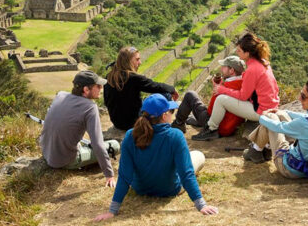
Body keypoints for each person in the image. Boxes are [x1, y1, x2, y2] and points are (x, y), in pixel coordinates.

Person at [93, 94, 218, 222]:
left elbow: (124, 175)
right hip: (170, 189)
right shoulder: (175, 136)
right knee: (198, 155)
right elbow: (186, 174)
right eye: (171, 111)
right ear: (164, 116)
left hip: (140, 188)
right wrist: (201, 205)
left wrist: (112, 210)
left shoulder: (131, 135)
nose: (172, 114)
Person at [243, 79, 308, 179]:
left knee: (270, 117)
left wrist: (261, 116)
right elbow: (307, 118)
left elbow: (278, 127)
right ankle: (260, 149)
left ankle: (256, 150)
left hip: (290, 169)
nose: (299, 98)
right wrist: (285, 112)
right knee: (279, 114)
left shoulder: (304, 124)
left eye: (303, 96)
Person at [192, 32, 279, 141]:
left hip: (260, 111)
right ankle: (211, 127)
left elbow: (243, 96)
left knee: (220, 99)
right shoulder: (263, 62)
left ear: (247, 53)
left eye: (239, 51)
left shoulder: (252, 69)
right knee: (224, 97)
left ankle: (211, 129)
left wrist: (222, 89)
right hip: (271, 106)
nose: (237, 53)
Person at [40, 70, 116, 187]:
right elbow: (97, 144)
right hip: (65, 161)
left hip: (46, 152)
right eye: (98, 86)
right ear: (86, 90)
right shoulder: (90, 107)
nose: (101, 88)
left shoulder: (60, 95)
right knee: (114, 145)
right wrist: (109, 174)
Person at [104, 46, 179, 140]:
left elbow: (106, 102)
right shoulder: (133, 78)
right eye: (137, 59)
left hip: (117, 123)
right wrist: (172, 89)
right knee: (165, 95)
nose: (140, 62)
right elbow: (155, 86)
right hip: (133, 122)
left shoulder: (109, 76)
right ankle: (160, 125)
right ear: (128, 61)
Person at [171, 56, 245, 136]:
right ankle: (192, 120)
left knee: (190, 94)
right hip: (231, 125)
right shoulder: (244, 84)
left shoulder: (227, 88)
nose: (221, 69)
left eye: (224, 67)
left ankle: (178, 124)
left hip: (218, 126)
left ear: (231, 70)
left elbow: (210, 110)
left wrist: (216, 89)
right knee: (197, 108)